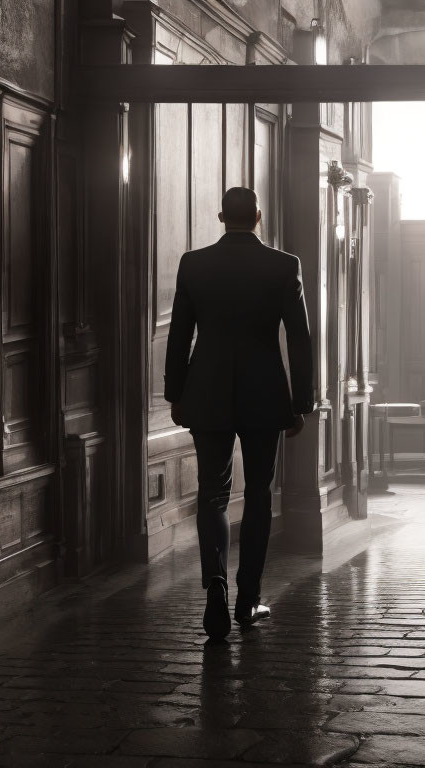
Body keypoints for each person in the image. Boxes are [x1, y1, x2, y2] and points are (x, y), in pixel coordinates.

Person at [164, 186, 315, 640]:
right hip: (264, 395)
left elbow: (179, 335)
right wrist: (300, 403)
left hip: (206, 393)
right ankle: (247, 601)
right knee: (259, 496)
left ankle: (215, 584)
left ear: (219, 216)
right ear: (259, 216)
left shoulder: (194, 263)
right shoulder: (284, 265)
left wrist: (175, 393)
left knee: (211, 493)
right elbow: (300, 340)